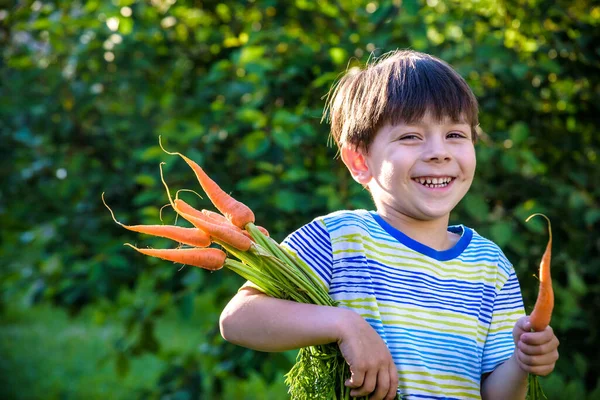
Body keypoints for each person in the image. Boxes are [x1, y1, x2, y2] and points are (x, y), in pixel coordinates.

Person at [219, 49, 559, 399]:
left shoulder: (490, 266)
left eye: (455, 135)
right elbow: (238, 319)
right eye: (411, 136)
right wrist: (344, 324)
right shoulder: (340, 239)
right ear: (359, 159)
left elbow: (497, 395)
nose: (439, 152)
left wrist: (522, 361)